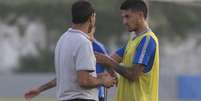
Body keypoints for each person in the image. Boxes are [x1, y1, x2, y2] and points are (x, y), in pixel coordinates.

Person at [24, 1, 116, 101]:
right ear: (91, 18)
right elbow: (83, 81)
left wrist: (40, 89)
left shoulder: (62, 40)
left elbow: (68, 78)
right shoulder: (83, 42)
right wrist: (102, 81)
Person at [95, 0, 159, 101]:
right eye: (123, 17)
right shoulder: (132, 42)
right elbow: (108, 60)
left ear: (140, 15)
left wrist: (108, 61)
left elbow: (133, 74)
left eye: (127, 16)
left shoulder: (147, 40)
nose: (124, 22)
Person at [24, 37, 112, 101]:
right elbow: (65, 76)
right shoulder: (74, 46)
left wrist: (105, 80)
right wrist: (40, 89)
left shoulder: (100, 48)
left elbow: (110, 73)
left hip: (97, 96)